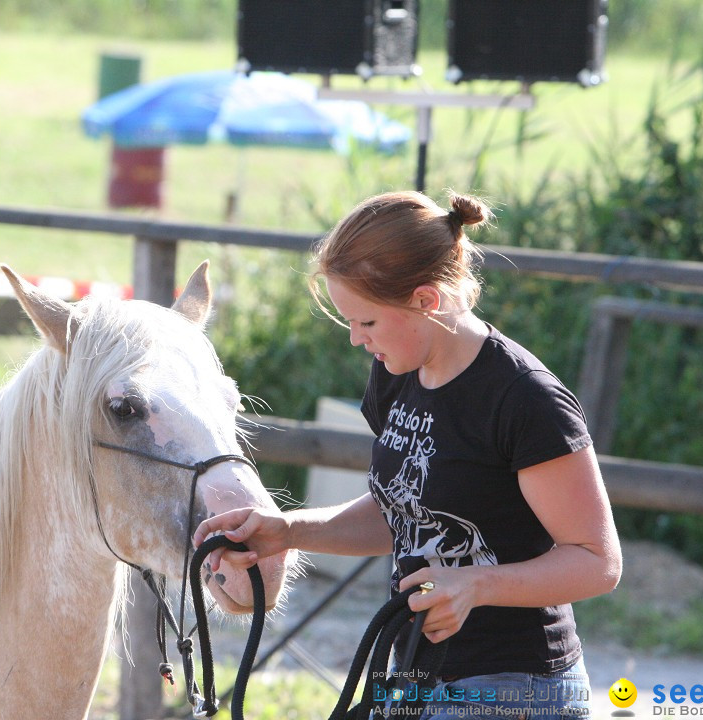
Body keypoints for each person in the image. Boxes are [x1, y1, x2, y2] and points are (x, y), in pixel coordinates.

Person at [194, 190, 622, 719]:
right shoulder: (398, 373)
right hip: (417, 676)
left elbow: (597, 562)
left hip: (515, 687)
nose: (356, 339)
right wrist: (289, 531)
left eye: (367, 322)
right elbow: (403, 510)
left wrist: (475, 585)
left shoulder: (525, 400)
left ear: (427, 301)